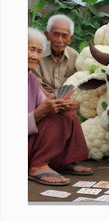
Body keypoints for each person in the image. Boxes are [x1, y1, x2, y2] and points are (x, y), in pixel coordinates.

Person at [28, 27, 93, 186]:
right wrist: (39, 113)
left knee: (66, 112)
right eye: (31, 50)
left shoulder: (31, 79)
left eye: (39, 52)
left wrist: (60, 102)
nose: (35, 57)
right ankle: (37, 165)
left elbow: (44, 103)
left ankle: (61, 161)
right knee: (55, 115)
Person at [32, 14, 79, 95]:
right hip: (40, 98)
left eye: (64, 36)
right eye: (56, 34)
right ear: (47, 35)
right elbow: (35, 83)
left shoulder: (75, 57)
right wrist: (50, 99)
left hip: (66, 100)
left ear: (70, 39)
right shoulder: (36, 54)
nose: (59, 40)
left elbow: (77, 84)